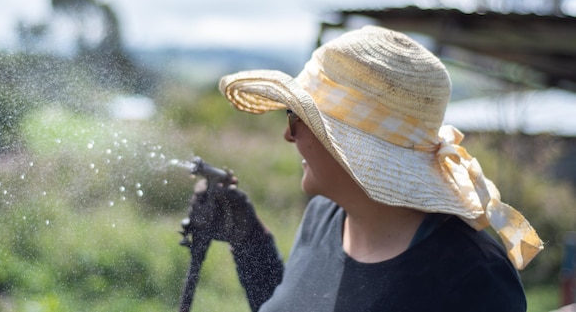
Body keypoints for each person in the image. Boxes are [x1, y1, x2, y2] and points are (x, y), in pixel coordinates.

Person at [190, 26, 543, 311]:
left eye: (295, 119)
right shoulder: (323, 217)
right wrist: (250, 241)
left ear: (346, 146)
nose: (287, 134)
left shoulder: (472, 275)